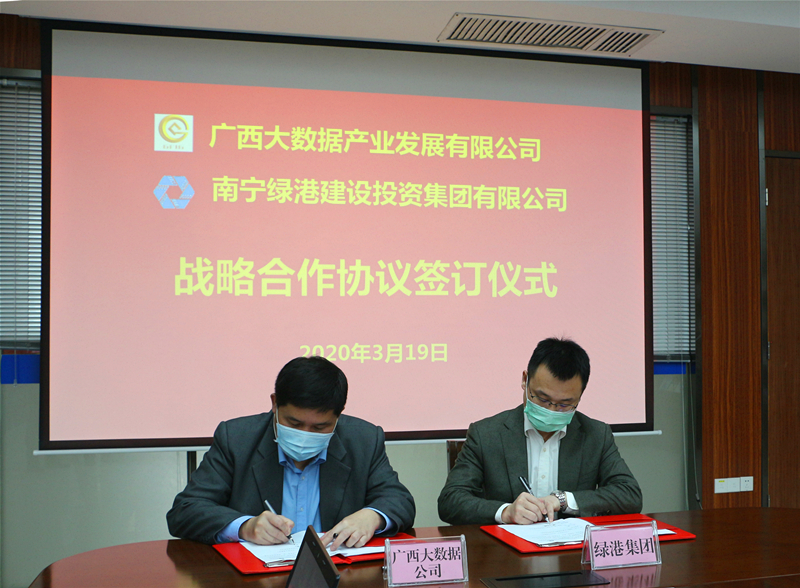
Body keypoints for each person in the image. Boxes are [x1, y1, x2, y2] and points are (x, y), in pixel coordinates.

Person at [167, 356, 415, 549]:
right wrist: (245, 527)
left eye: (320, 427)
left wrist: (372, 517)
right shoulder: (237, 438)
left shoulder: (363, 439)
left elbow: (399, 500)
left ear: (338, 416)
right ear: (274, 404)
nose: (305, 434)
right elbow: (186, 510)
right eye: (294, 424)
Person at [438, 337, 642, 526]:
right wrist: (505, 512)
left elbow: (629, 495)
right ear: (525, 380)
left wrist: (565, 500)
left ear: (580, 395)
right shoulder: (486, 434)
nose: (551, 410)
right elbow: (450, 501)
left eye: (565, 404)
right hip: (506, 550)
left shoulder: (596, 435)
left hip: (571, 549)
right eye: (542, 399)